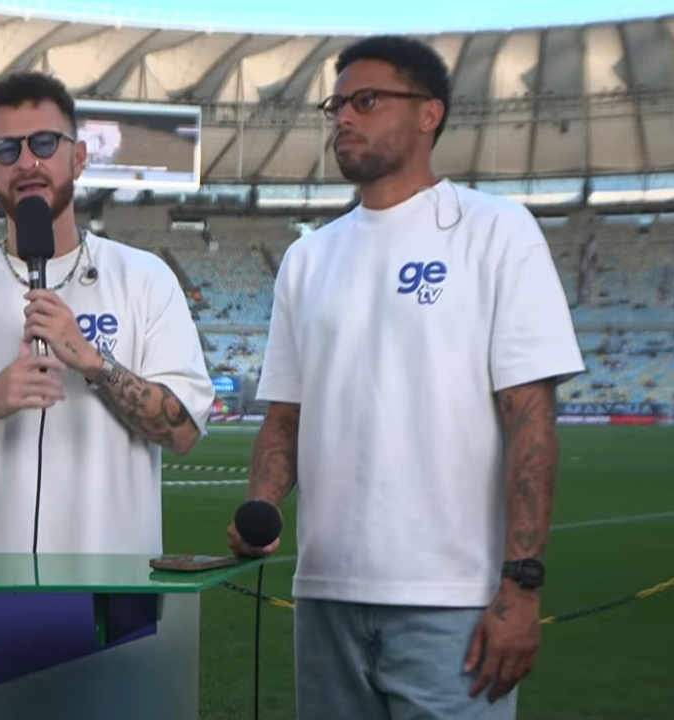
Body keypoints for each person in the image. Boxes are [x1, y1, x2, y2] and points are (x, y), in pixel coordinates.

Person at [228, 36, 586, 719]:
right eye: (336, 105)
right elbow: (285, 421)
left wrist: (523, 586)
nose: (343, 118)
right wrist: (262, 507)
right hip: (325, 596)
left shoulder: (496, 231)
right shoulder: (309, 257)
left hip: (453, 602)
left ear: (429, 114)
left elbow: (530, 420)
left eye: (366, 100)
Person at [0, 71, 215, 555]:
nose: (27, 162)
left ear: (78, 157)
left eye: (44, 143)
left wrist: (94, 363)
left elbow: (184, 432)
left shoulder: (145, 278)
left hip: (113, 591)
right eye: (7, 150)